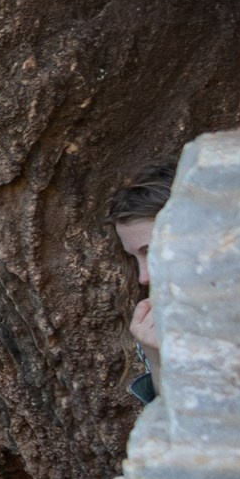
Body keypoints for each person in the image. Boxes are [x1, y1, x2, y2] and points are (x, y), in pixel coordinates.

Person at [109, 161, 174, 405]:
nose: (143, 277)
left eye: (152, 251)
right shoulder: (156, 325)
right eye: (134, 258)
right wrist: (158, 362)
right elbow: (181, 434)